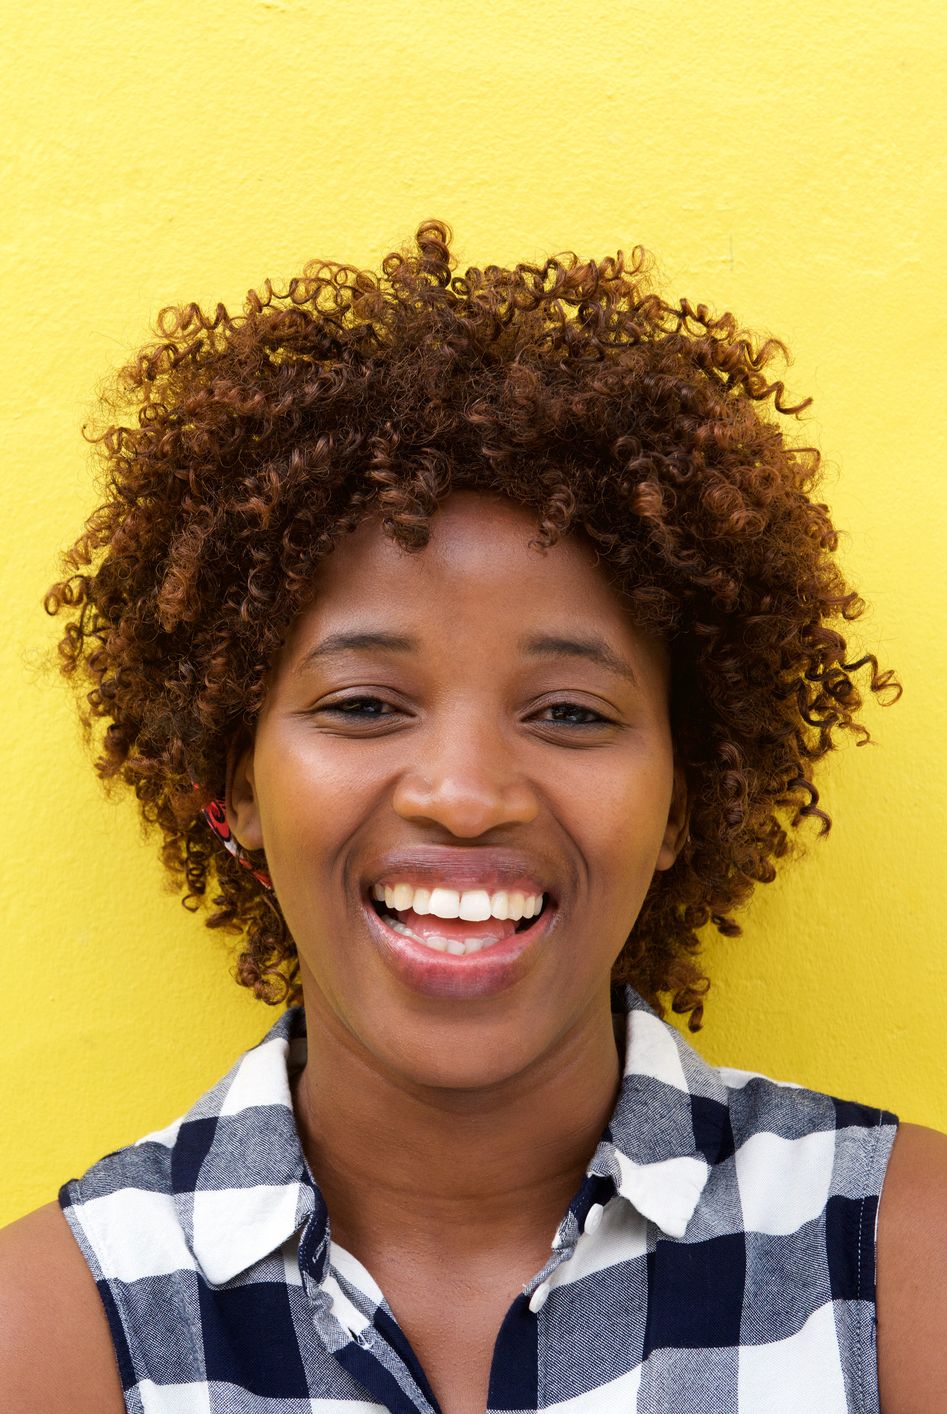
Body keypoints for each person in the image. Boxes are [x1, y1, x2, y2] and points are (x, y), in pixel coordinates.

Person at [0, 221, 944, 1414]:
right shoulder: (53, 1326)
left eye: (566, 712)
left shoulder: (900, 1266)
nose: (462, 792)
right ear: (232, 784)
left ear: (680, 797)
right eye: (359, 703)